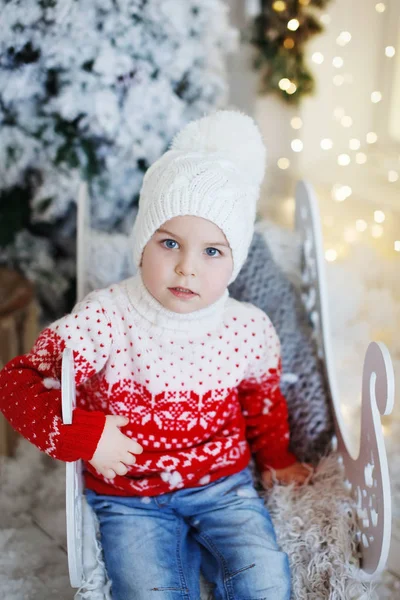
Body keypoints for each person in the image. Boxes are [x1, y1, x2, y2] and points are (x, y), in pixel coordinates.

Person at [0, 110, 312, 600]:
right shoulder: (106, 318)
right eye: (170, 243)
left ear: (236, 261)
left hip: (223, 485)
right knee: (148, 591)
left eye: (212, 251)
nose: (187, 268)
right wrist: (83, 436)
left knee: (267, 577)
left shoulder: (248, 327)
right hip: (130, 497)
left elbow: (263, 401)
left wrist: (276, 458)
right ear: (141, 246)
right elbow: (17, 382)